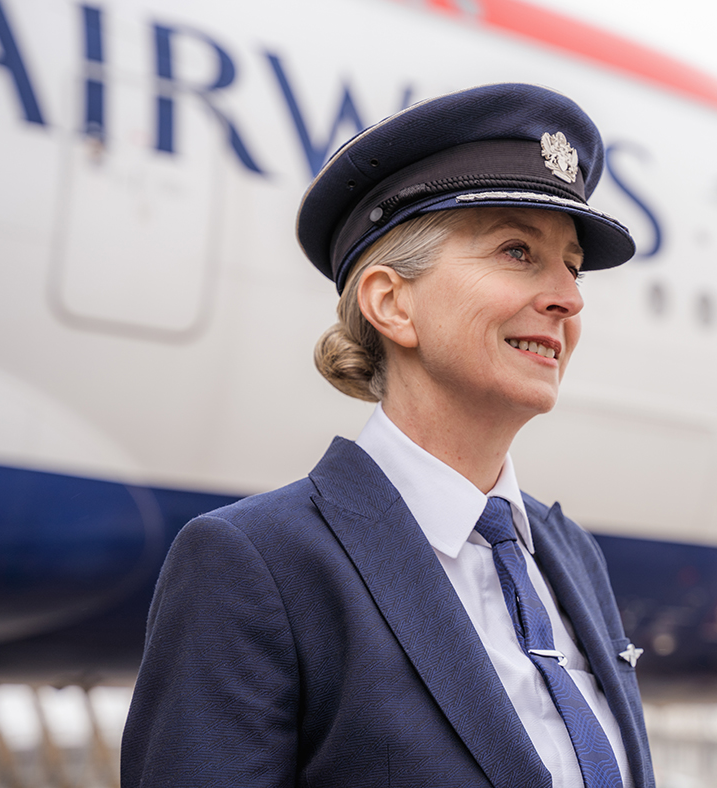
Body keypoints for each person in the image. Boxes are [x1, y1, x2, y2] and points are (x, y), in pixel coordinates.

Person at [121, 83, 655, 788]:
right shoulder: (259, 565)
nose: (569, 297)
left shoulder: (571, 557)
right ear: (391, 303)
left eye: (572, 266)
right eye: (518, 251)